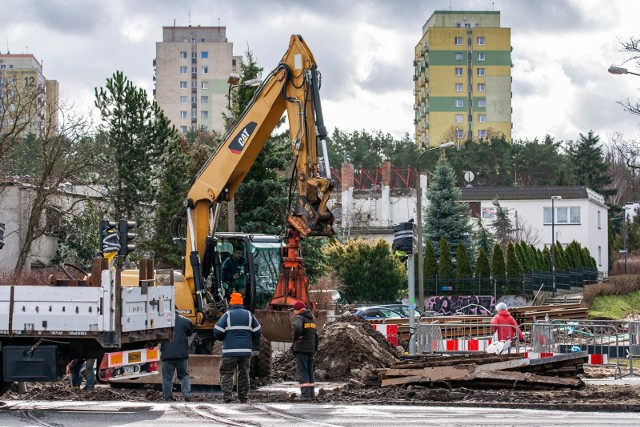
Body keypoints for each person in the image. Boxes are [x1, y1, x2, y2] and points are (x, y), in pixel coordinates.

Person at [213, 292, 261, 403]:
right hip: (245, 352)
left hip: (230, 352)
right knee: (244, 373)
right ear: (241, 303)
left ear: (231, 303)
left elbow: (217, 331)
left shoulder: (228, 315)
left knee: (226, 372)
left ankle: (227, 396)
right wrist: (249, 339)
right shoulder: (249, 315)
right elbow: (258, 331)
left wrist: (222, 338)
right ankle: (243, 397)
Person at [161, 311, 195, 401]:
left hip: (167, 355)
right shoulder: (185, 321)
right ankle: (187, 395)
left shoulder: (162, 321)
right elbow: (190, 332)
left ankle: (168, 398)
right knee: (184, 375)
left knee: (167, 378)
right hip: (181, 354)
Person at [292, 300, 319, 400]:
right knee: (309, 371)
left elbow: (297, 327)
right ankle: (311, 394)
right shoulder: (312, 318)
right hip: (310, 348)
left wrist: (296, 338)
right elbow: (316, 335)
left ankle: (305, 395)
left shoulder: (299, 317)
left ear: (297, 309)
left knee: (302, 371)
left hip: (301, 347)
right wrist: (315, 348)